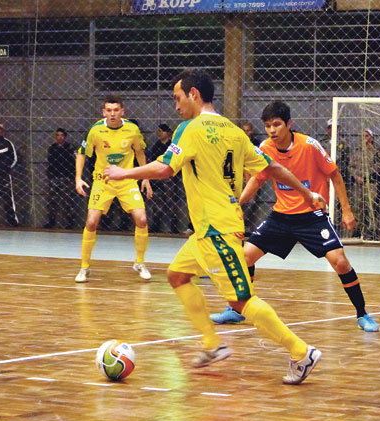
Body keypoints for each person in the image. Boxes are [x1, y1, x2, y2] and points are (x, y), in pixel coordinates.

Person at [104, 69, 323, 384]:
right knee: (177, 275)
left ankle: (301, 352)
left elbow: (166, 168)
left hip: (216, 228)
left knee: (240, 300)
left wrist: (124, 173)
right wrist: (306, 192)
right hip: (209, 229)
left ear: (194, 94)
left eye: (178, 98)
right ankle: (212, 344)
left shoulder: (189, 128)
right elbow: (272, 168)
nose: (176, 107)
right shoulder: (234, 131)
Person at [210, 100, 380, 332]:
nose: (272, 130)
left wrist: (347, 211)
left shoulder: (310, 145)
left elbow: (335, 175)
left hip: (312, 217)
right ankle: (237, 309)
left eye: (277, 125)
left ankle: (363, 314)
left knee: (340, 262)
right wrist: (237, 204)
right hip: (281, 217)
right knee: (245, 257)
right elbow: (257, 179)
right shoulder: (265, 148)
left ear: (289, 124)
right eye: (268, 126)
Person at [74, 95, 153, 283]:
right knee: (92, 221)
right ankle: (84, 267)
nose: (112, 114)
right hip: (103, 182)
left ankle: (140, 263)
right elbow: (81, 154)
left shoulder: (132, 130)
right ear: (104, 112)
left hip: (127, 180)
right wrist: (78, 179)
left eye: (116, 110)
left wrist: (146, 178)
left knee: (141, 219)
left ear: (122, 112)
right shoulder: (95, 130)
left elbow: (140, 153)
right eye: (108, 110)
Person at [145, 123, 188, 233]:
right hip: (157, 178)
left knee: (172, 202)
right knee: (157, 202)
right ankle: (156, 224)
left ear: (168, 133)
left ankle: (173, 226)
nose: (159, 133)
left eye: (162, 131)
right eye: (158, 131)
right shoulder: (156, 145)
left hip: (171, 178)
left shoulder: (172, 145)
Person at [349, 128, 380, 239]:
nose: (364, 138)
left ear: (371, 138)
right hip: (358, 184)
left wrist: (365, 175)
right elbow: (350, 166)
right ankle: (357, 230)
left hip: (371, 183)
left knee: (371, 207)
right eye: (363, 136)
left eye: (367, 136)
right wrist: (356, 176)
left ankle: (371, 230)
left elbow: (379, 165)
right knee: (357, 207)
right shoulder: (356, 151)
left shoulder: (376, 151)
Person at [43, 128, 79, 229]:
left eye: (62, 135)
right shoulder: (52, 148)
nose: (60, 137)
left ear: (65, 137)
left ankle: (69, 222)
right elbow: (50, 161)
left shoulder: (71, 148)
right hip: (55, 177)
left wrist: (73, 175)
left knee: (68, 201)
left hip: (67, 178)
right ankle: (51, 221)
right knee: (52, 200)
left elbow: (76, 162)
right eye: (57, 135)